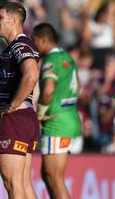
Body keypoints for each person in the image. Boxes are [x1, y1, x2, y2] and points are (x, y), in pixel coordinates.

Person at [0, 2, 40, 198]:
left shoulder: (20, 44)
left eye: (0, 17)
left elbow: (31, 75)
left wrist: (12, 105)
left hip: (16, 118)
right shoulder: (14, 47)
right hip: (24, 117)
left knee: (13, 184)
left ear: (14, 20)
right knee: (23, 185)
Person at [32, 22, 82, 199]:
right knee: (50, 177)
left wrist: (39, 114)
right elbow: (79, 86)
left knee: (53, 178)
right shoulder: (67, 57)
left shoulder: (51, 60)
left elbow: (47, 91)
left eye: (34, 40)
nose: (33, 45)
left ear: (44, 40)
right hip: (70, 117)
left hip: (56, 123)